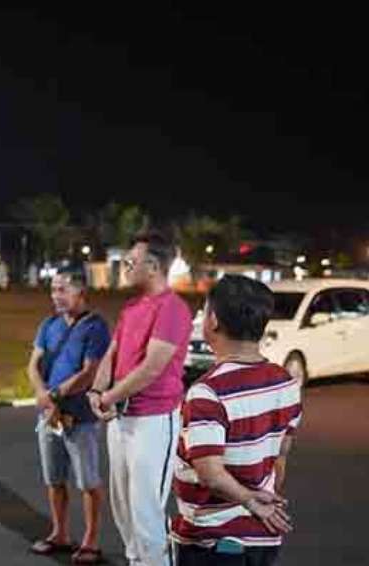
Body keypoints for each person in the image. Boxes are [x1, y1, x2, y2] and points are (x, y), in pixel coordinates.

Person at [172, 275, 301, 565]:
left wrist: (248, 500)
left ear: (213, 320)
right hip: (262, 531)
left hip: (214, 540)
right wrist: (260, 501)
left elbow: (210, 475)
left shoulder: (208, 392)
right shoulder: (285, 383)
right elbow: (280, 457)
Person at [87, 230, 193, 566]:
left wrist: (108, 397)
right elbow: (112, 354)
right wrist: (95, 391)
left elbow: (152, 369)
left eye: (131, 261)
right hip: (121, 419)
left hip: (153, 421)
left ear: (153, 266)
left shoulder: (173, 309)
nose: (126, 266)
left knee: (146, 511)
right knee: (123, 509)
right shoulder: (132, 308)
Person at [27, 271, 111, 564]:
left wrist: (54, 394)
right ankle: (60, 533)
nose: (56, 295)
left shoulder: (96, 328)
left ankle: (90, 540)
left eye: (63, 289)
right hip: (50, 414)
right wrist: (42, 394)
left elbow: (90, 372)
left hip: (80, 416)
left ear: (80, 292)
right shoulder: (48, 325)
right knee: (54, 479)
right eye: (53, 289)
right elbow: (33, 364)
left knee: (88, 481)